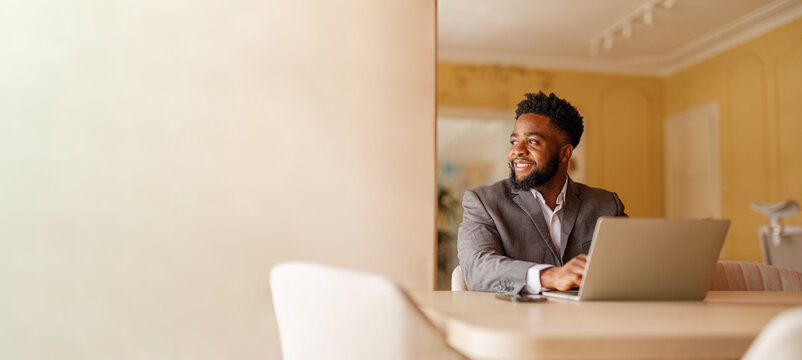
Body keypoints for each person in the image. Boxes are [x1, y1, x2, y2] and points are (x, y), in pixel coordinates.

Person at [457, 92, 627, 295]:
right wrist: (551, 275)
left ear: (564, 153)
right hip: (516, 322)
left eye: (533, 142)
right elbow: (477, 268)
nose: (517, 151)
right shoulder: (483, 202)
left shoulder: (606, 204)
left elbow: (631, 265)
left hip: (592, 321)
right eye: (514, 141)